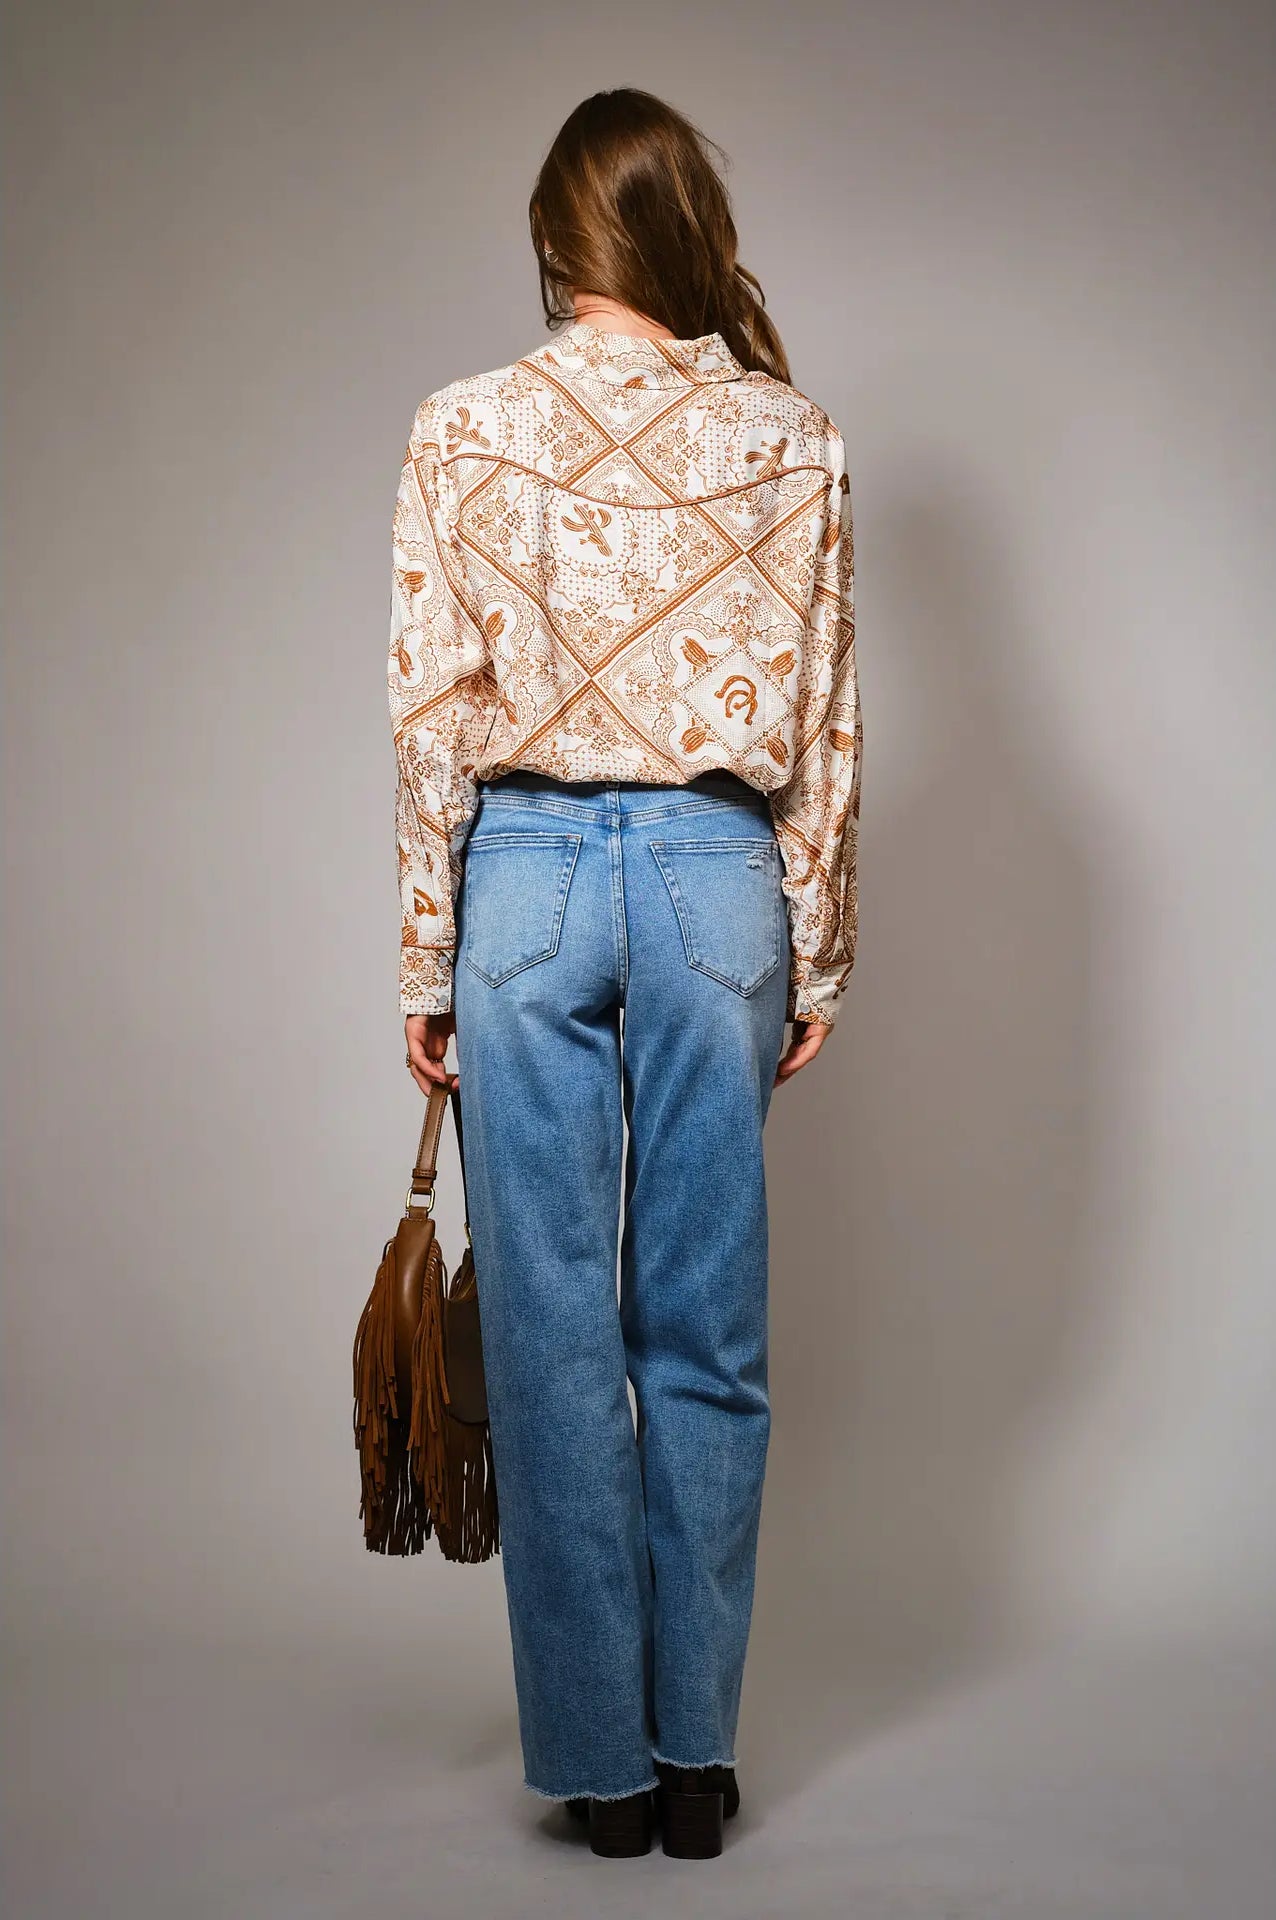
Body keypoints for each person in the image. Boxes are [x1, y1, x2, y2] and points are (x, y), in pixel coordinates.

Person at [387, 87, 861, 1860]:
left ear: (554, 239)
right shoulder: (794, 437)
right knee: (707, 1337)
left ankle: (594, 1771)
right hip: (712, 881)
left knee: (558, 1334)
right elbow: (824, 716)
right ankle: (695, 1764)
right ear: (679, 232)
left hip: (520, 877)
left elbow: (431, 715)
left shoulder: (462, 427)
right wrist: (814, 942)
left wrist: (429, 953)